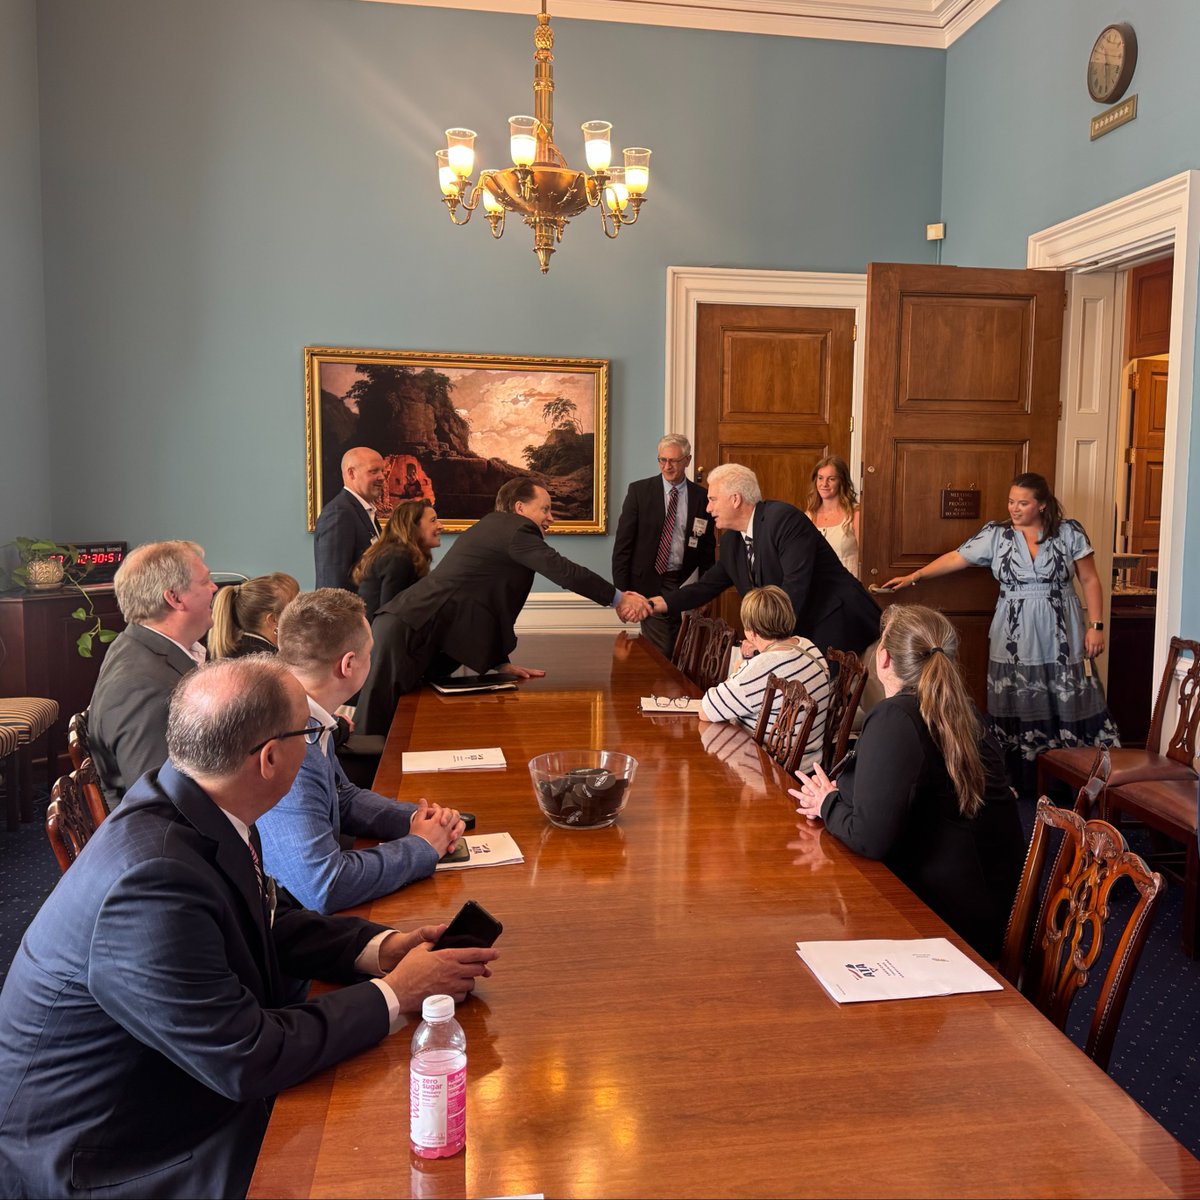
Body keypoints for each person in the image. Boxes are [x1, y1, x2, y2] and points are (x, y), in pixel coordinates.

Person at [0, 656, 497, 1199]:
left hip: (177, 1081)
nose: (314, 745)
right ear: (269, 758)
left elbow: (271, 916)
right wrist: (397, 995)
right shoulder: (151, 881)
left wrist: (381, 950)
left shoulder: (197, 801)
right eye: (308, 733)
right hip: (112, 1154)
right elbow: (244, 1057)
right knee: (376, 1161)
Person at [790, 604, 1025, 960]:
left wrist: (827, 803)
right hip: (988, 907)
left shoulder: (896, 717)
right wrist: (840, 796)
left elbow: (871, 838)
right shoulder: (958, 708)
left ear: (883, 659)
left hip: (946, 926)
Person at [883, 471, 1120, 794]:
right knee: (1018, 699)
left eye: (1023, 503)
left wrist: (1096, 626)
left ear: (1042, 505)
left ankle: (1077, 779)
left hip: (1062, 633)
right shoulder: (997, 536)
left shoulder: (1069, 533)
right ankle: (1020, 780)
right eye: (1011, 501)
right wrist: (915, 576)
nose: (1014, 508)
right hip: (1014, 635)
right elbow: (957, 557)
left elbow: (1090, 580)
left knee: (1068, 697)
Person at [357, 478, 650, 735]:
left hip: (413, 633)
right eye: (545, 509)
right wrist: (619, 599)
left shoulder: (498, 529)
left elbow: (484, 603)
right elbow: (563, 571)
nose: (551, 518)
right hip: (408, 632)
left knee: (402, 729)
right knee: (375, 732)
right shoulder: (515, 529)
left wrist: (500, 662)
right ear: (520, 509)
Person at [258, 588, 464, 914]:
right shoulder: (290, 737)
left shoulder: (304, 713)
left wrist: (415, 819)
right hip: (284, 924)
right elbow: (323, 886)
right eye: (370, 651)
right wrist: (421, 846)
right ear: (349, 664)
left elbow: (342, 796)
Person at [648, 463, 881, 657]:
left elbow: (795, 586)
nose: (708, 508)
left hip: (837, 618)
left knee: (815, 700)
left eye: (713, 499)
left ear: (735, 499)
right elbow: (706, 586)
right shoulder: (732, 542)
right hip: (799, 628)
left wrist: (765, 636)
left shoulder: (783, 520)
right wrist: (659, 603)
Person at [89, 539, 218, 808]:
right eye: (206, 581)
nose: (214, 588)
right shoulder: (145, 688)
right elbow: (162, 805)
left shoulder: (136, 643)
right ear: (174, 597)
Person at [700, 586, 830, 773]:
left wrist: (739, 669)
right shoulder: (808, 646)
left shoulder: (759, 669)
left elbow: (708, 710)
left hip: (771, 772)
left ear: (751, 632)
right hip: (811, 766)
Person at [611, 434, 715, 657]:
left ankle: (671, 691)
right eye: (662, 460)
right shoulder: (639, 492)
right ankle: (660, 691)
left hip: (685, 582)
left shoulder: (702, 497)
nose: (667, 467)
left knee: (683, 649)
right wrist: (621, 597)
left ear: (687, 460)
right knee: (662, 651)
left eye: (674, 461)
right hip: (647, 584)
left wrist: (706, 594)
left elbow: (707, 550)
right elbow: (622, 547)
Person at [352, 498, 442, 618]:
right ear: (412, 526)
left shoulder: (402, 555)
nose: (440, 526)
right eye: (433, 520)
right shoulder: (398, 559)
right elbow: (390, 617)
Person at [314, 446, 387, 591]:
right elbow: (333, 582)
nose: (382, 477)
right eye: (374, 471)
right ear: (351, 473)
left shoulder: (364, 510)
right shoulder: (339, 513)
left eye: (382, 471)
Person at [208, 572, 301, 658]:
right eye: (295, 608)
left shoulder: (237, 652)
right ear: (273, 620)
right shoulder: (270, 665)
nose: (303, 614)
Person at [805, 454, 860, 578]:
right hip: (817, 589)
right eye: (820, 478)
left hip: (848, 588)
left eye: (831, 479)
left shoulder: (855, 515)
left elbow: (869, 559)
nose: (824, 484)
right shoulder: (808, 516)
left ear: (842, 481)